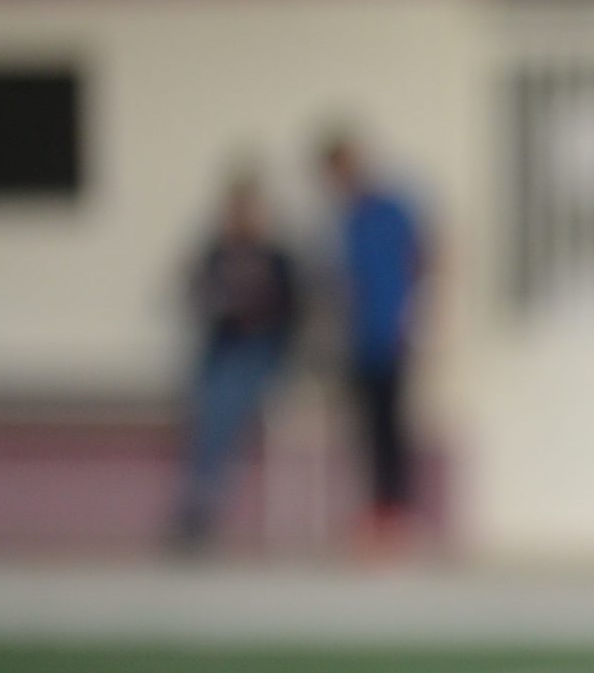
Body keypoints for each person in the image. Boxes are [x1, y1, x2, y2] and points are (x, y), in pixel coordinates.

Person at [167, 168, 300, 553]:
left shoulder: (276, 258)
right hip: (221, 353)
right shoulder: (216, 254)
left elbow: (292, 314)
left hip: (260, 354)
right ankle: (198, 503)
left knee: (222, 402)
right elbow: (197, 300)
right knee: (211, 404)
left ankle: (200, 506)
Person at [316, 127, 431, 555]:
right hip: (358, 341)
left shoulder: (392, 210)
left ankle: (397, 517)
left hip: (393, 335)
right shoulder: (344, 221)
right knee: (366, 430)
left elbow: (423, 260)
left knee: (392, 430)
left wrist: (419, 320)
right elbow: (340, 283)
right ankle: (374, 514)